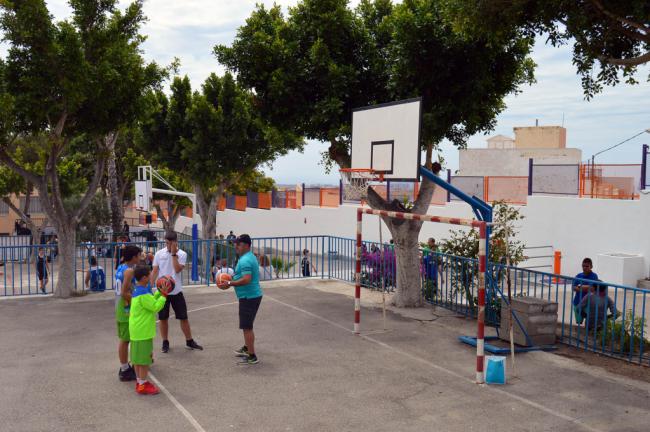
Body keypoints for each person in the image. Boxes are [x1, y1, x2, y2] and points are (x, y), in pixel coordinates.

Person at [152, 231, 202, 353]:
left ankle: (189, 341)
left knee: (183, 317)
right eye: (166, 243)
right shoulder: (159, 254)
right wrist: (148, 287)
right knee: (163, 318)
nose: (167, 245)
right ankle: (165, 342)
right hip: (162, 292)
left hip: (176, 291)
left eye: (170, 243)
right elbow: (155, 271)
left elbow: (177, 270)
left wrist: (174, 254)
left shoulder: (182, 254)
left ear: (175, 242)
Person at [217, 234, 262, 365]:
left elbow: (247, 279)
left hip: (249, 297)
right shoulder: (248, 257)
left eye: (239, 244)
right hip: (250, 295)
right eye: (236, 244)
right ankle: (247, 348)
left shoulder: (246, 260)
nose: (236, 246)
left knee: (247, 327)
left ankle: (252, 356)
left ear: (247, 246)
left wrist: (230, 283)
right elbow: (244, 276)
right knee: (246, 326)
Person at [129, 265, 169, 395]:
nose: (152, 275)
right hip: (143, 332)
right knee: (145, 360)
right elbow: (155, 307)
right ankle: (142, 385)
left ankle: (140, 381)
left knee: (137, 359)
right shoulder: (143, 293)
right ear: (145, 277)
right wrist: (163, 296)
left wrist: (158, 292)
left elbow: (150, 300)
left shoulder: (139, 290)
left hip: (137, 330)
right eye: (150, 274)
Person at [114, 245, 142, 382]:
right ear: (134, 257)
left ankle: (127, 366)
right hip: (125, 308)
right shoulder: (129, 271)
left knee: (125, 339)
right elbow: (125, 292)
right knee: (125, 340)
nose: (140, 257)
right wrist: (138, 302)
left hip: (120, 306)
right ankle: (124, 369)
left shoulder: (121, 267)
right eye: (139, 255)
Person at [571, 258, 599, 324]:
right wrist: (586, 287)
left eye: (587, 266)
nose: (584, 268)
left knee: (589, 322)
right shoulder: (578, 275)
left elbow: (593, 288)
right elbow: (573, 287)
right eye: (583, 266)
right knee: (578, 323)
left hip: (588, 304)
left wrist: (580, 287)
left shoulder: (594, 276)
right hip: (577, 303)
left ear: (591, 266)